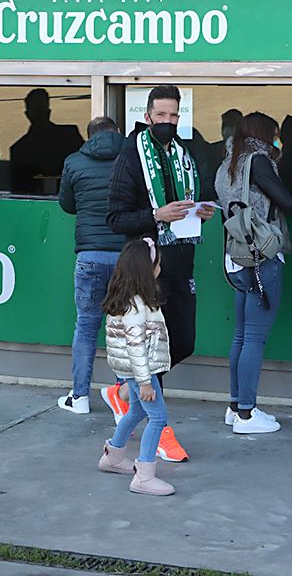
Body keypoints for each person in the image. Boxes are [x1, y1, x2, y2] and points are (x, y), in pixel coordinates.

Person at [105, 84, 215, 462]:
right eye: (161, 115)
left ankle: (124, 392)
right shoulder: (131, 155)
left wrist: (196, 211)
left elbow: (184, 206)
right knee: (153, 351)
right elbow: (116, 217)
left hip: (181, 262)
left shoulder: (184, 154)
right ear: (148, 115)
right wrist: (155, 215)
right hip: (146, 270)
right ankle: (160, 429)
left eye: (174, 116)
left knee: (183, 342)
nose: (168, 122)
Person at [215, 112, 292, 434]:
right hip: (262, 255)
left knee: (241, 335)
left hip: (236, 255)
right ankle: (247, 414)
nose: (278, 140)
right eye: (275, 134)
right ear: (265, 134)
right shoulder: (258, 161)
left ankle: (235, 407)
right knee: (255, 338)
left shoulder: (227, 163)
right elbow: (286, 202)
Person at [57, 117, 127, 414]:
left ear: (89, 137)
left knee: (86, 327)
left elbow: (67, 204)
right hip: (127, 257)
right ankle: (122, 396)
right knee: (124, 328)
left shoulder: (74, 161)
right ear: (117, 133)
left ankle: (80, 397)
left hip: (90, 256)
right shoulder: (131, 159)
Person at [97, 237, 175, 496]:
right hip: (142, 372)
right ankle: (144, 476)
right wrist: (145, 382)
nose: (160, 269)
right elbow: (136, 348)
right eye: (157, 264)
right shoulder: (137, 308)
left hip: (132, 371)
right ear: (146, 270)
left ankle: (114, 456)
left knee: (138, 412)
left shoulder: (127, 301)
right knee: (158, 417)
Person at [9, 88, 84, 194]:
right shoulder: (70, 134)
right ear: (49, 111)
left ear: (27, 114)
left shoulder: (19, 149)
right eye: (38, 109)